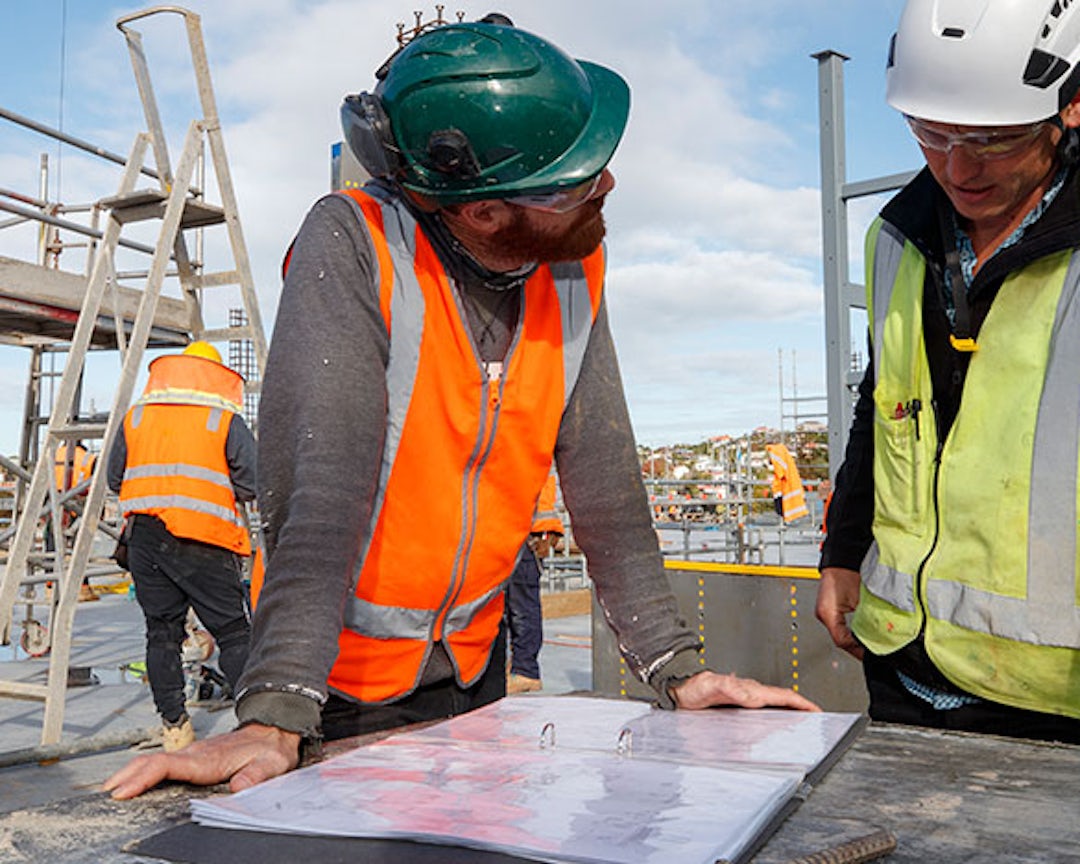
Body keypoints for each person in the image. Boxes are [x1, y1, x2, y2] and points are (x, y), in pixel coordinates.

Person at [104, 15, 816, 800]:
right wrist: (276, 710)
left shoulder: (571, 270)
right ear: (483, 211)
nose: (604, 187)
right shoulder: (353, 247)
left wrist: (676, 669)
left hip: (476, 677)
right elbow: (320, 490)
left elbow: (608, 487)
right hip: (336, 697)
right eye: (574, 182)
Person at [816, 0, 1080, 744]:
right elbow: (886, 405)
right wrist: (842, 551)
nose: (957, 168)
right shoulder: (898, 238)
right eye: (931, 133)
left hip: (1055, 698)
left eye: (991, 139)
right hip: (904, 667)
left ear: (1069, 107)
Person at [106, 341, 255, 751]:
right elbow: (251, 483)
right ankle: (257, 726)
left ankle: (175, 729)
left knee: (161, 634)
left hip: (146, 540)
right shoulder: (223, 418)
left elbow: (114, 480)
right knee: (234, 633)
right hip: (204, 538)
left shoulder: (136, 417)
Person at [507, 469, 564, 694]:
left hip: (529, 534)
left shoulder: (533, 450)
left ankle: (526, 671)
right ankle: (517, 666)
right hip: (515, 531)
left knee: (522, 608)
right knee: (507, 607)